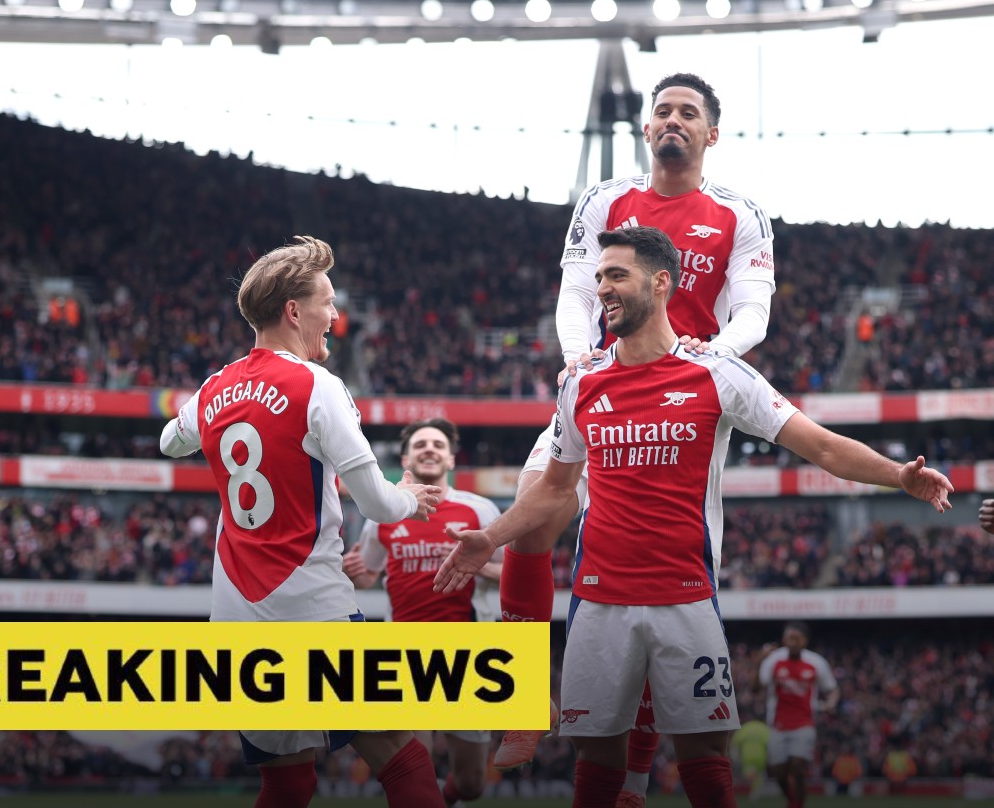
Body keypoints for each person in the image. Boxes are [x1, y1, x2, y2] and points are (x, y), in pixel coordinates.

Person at [432, 226, 953, 808]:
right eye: (598, 276)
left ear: (660, 283)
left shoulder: (717, 372)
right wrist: (491, 537)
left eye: (616, 275)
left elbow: (822, 447)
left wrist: (898, 475)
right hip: (598, 603)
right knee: (594, 764)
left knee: (707, 759)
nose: (601, 288)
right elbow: (556, 491)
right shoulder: (581, 383)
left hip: (686, 599)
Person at [496, 72, 778, 807]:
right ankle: (525, 701)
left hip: (687, 401)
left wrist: (712, 353)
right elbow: (576, 290)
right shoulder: (604, 201)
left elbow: (753, 309)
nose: (673, 121)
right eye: (662, 112)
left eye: (688, 113)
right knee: (532, 511)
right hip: (603, 385)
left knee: (659, 577)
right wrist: (573, 352)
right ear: (646, 129)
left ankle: (633, 776)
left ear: (711, 133)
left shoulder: (738, 214)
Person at [159, 235, 447, 808]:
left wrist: (207, 407)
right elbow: (381, 506)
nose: (335, 316)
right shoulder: (318, 386)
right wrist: (413, 496)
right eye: (328, 302)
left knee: (287, 782)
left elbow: (170, 440)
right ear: (294, 312)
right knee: (399, 752)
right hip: (313, 610)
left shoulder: (216, 387)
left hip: (237, 618)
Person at [343, 418, 503, 806]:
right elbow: (368, 577)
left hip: (468, 654)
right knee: (417, 768)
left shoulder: (479, 510)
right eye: (420, 444)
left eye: (437, 444)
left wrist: (478, 566)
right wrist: (355, 575)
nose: (429, 448)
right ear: (406, 458)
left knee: (470, 784)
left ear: (450, 458)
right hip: (405, 652)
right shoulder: (386, 515)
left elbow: (514, 575)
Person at [754, 622, 839, 808]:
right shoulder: (773, 660)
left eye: (796, 638)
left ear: (805, 641)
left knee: (799, 767)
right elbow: (756, 688)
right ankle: (792, 799)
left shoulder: (816, 662)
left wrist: (830, 703)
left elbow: (832, 689)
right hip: (777, 723)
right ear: (784, 639)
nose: (792, 642)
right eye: (789, 638)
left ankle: (797, 804)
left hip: (804, 723)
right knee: (778, 771)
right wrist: (760, 660)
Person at [729, 718, 769, 799]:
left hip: (747, 755)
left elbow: (735, 742)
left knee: (748, 772)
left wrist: (735, 756)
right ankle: (754, 791)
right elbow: (769, 742)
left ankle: (750, 789)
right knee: (759, 774)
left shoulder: (745, 727)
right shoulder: (763, 728)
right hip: (761, 755)